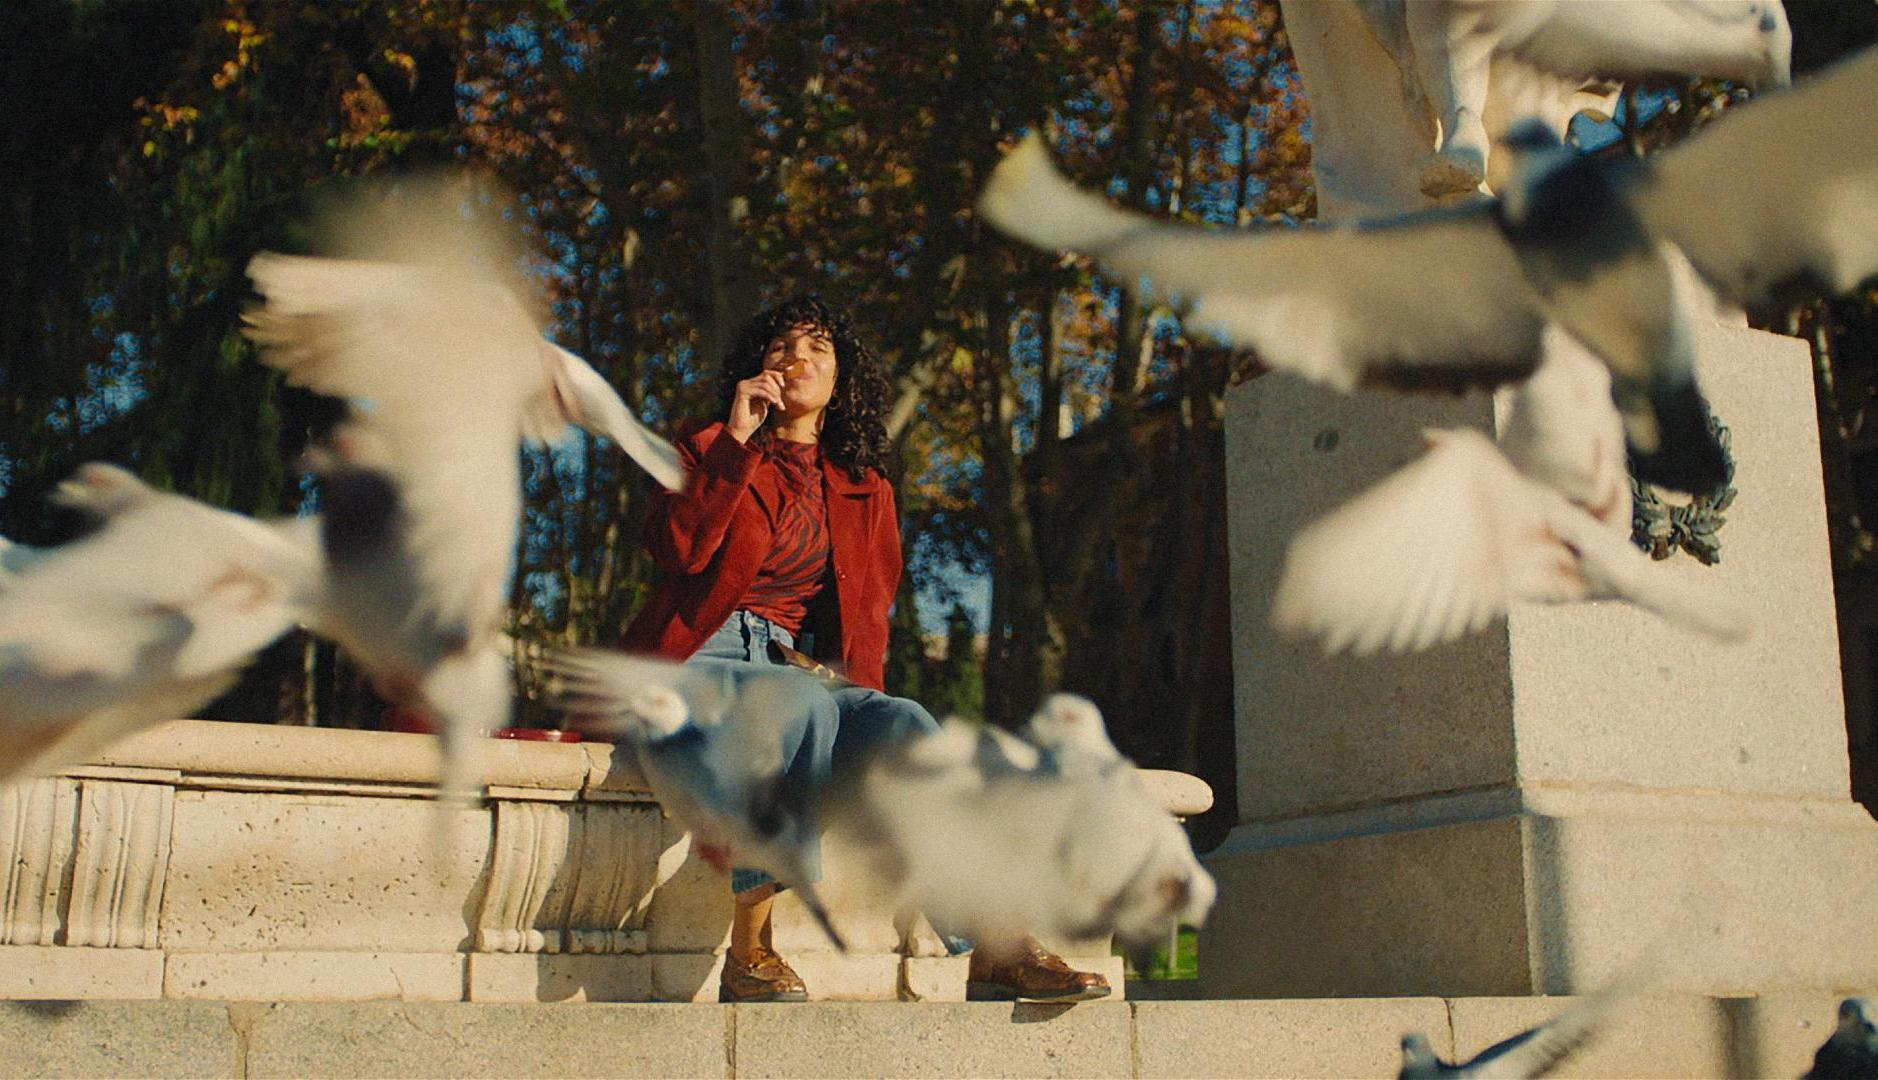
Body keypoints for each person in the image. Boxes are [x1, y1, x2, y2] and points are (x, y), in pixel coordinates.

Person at [619, 295, 1110, 1004]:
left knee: (905, 724)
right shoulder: (707, 448)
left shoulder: (863, 487)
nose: (798, 360)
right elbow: (678, 549)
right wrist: (734, 439)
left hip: (789, 661)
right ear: (758, 372)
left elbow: (867, 618)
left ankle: (995, 949)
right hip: (701, 658)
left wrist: (864, 715)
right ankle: (749, 950)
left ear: (841, 379)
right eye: (782, 348)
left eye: (818, 349)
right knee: (792, 707)